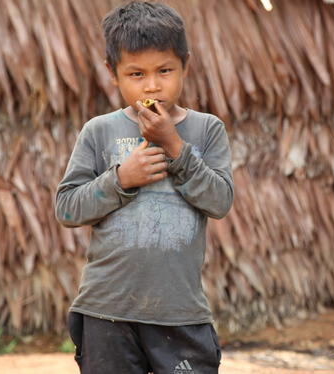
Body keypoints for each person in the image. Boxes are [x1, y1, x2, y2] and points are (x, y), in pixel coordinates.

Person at [55, 2, 234, 373]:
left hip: (180, 310)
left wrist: (176, 148)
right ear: (113, 73)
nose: (152, 85)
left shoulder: (207, 129)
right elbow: (68, 208)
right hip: (107, 310)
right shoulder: (99, 131)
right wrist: (120, 179)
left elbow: (220, 202)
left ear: (186, 64)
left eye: (164, 70)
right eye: (136, 74)